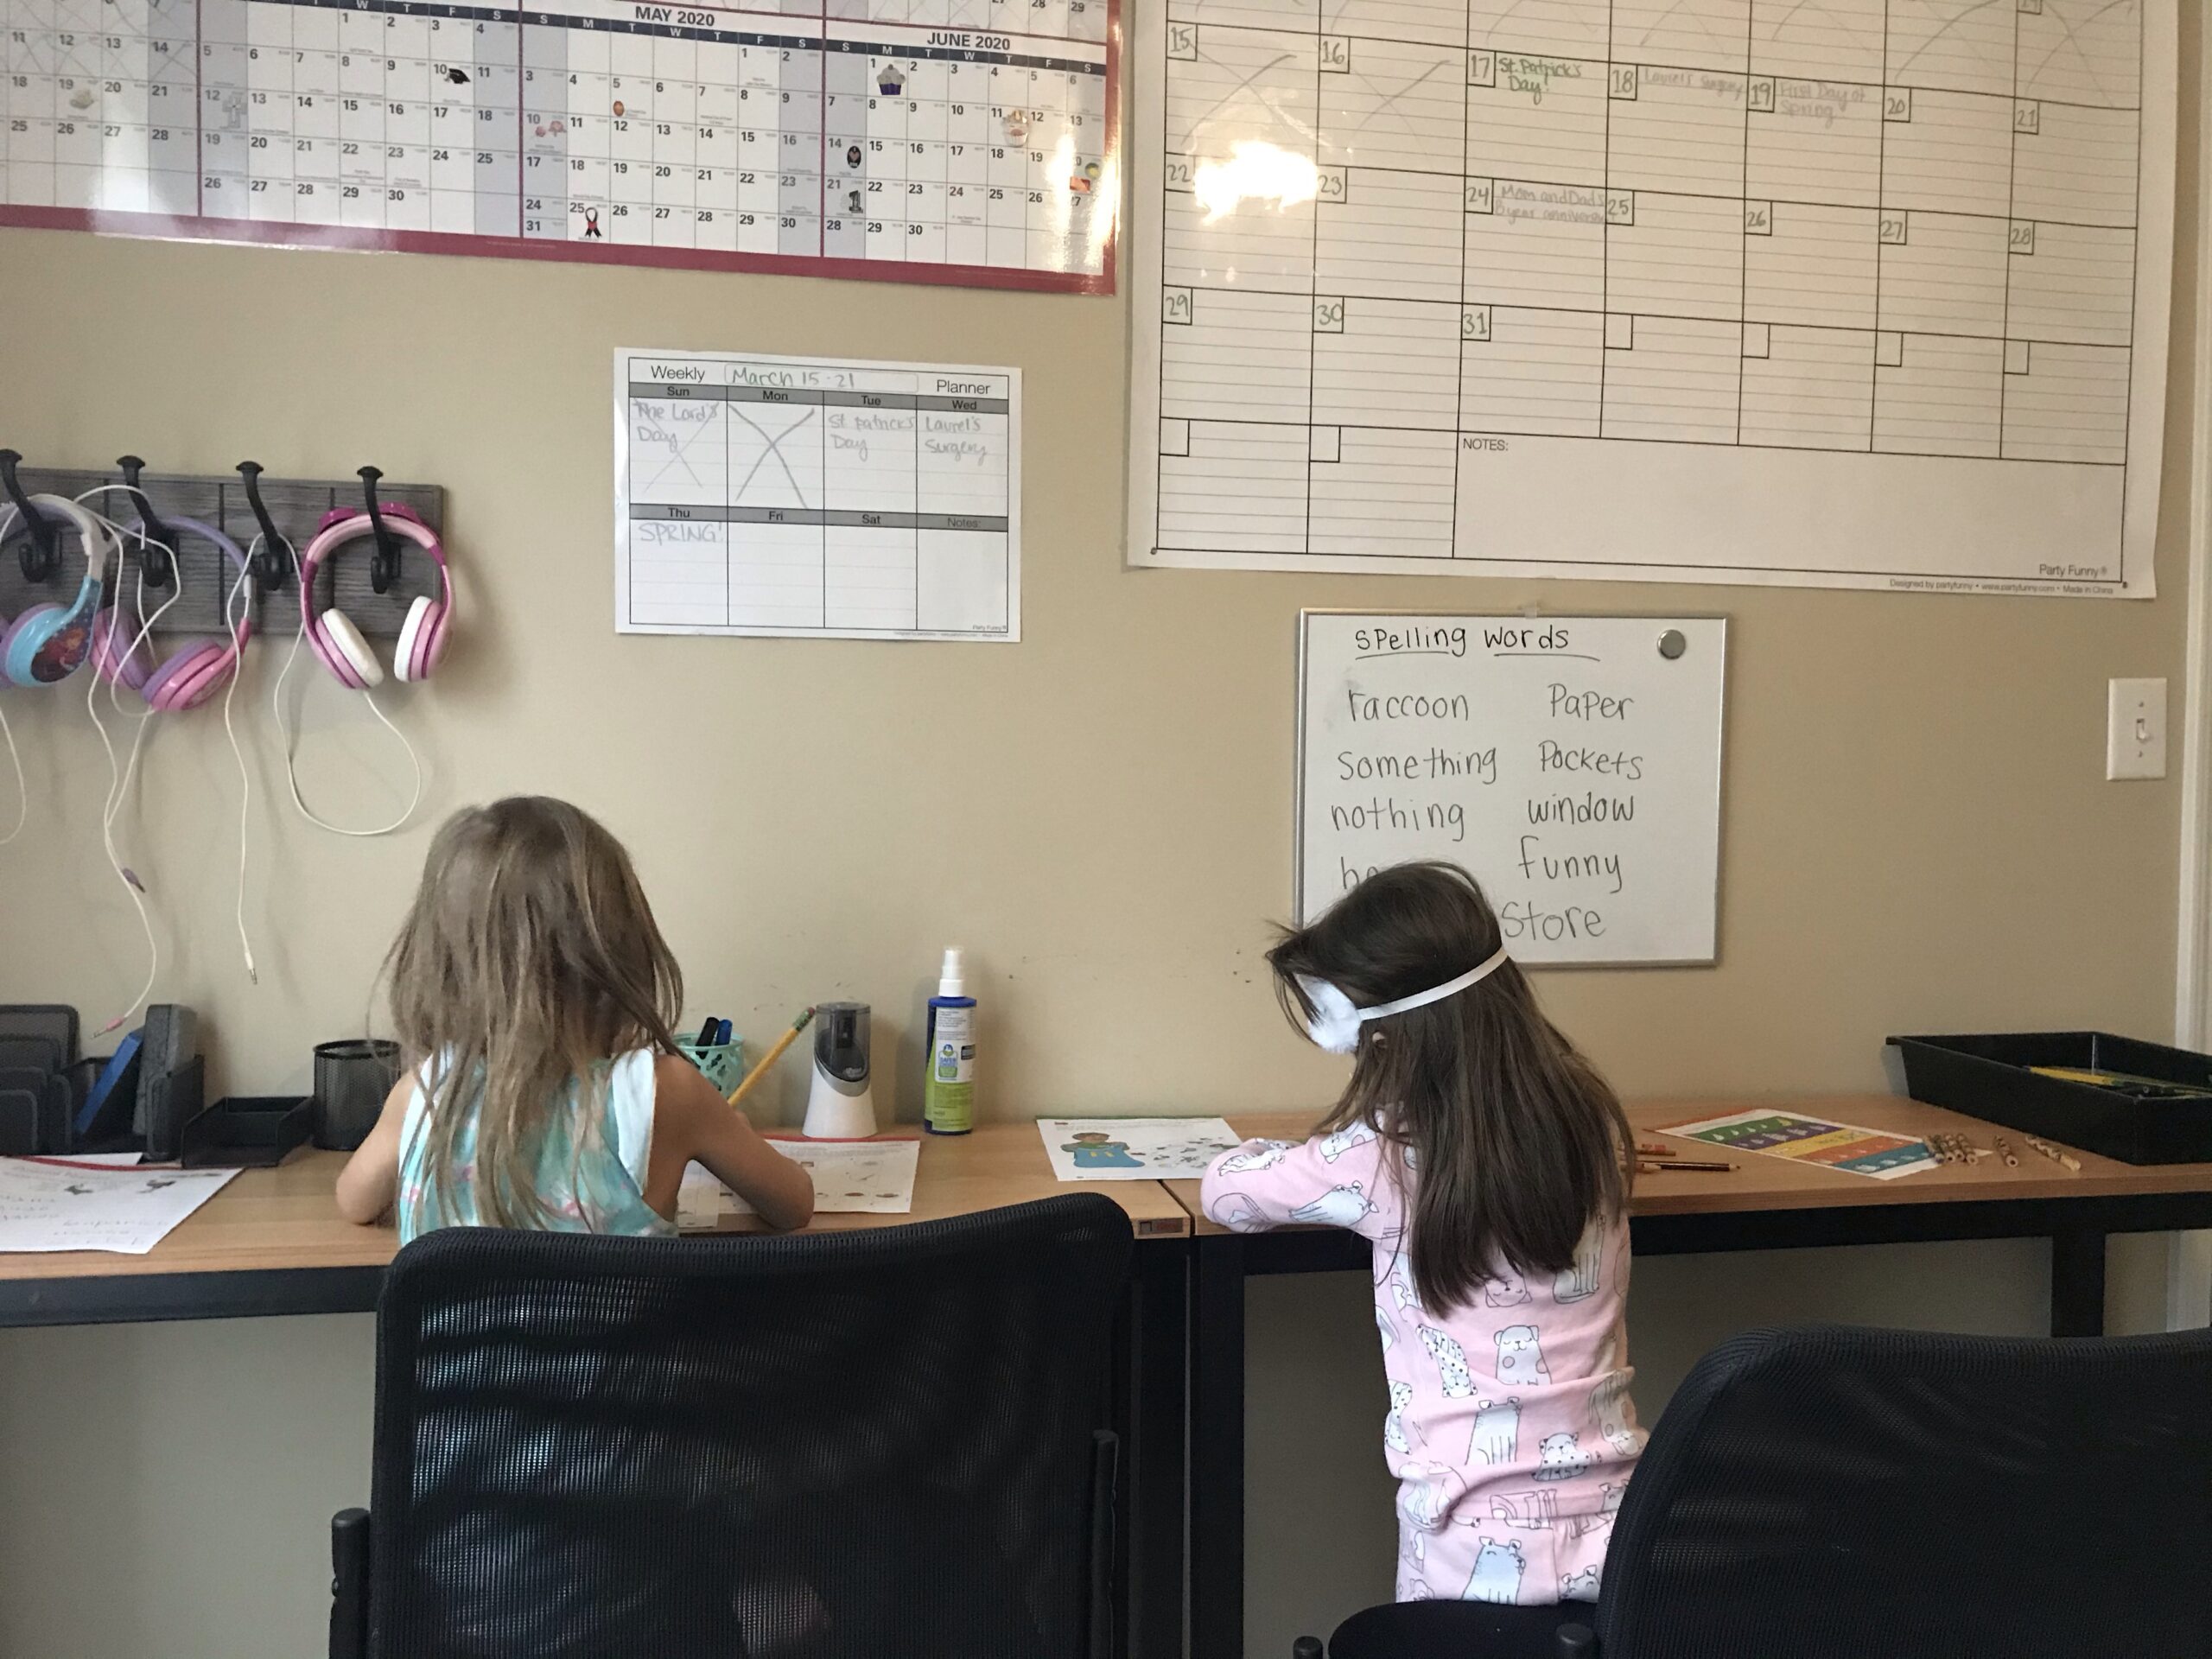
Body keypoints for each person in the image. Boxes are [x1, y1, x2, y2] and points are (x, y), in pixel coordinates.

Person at [1198, 862, 1643, 1607]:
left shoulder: (1380, 1154)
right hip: (1624, 1524)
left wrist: (1271, 1151)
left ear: (1384, 1039)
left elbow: (1226, 1195)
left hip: (1464, 1539)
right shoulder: (1590, 1121)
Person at [336, 796, 813, 1238]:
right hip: (629, 1333)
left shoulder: (424, 1093)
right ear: (621, 948)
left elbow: (353, 1201)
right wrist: (733, 1132)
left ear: (443, 960)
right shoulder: (668, 1093)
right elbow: (794, 1205)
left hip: (465, 1333)